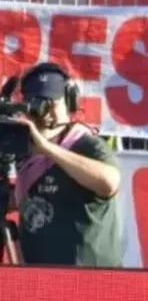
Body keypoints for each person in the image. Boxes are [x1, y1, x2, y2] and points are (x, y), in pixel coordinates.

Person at [8, 62, 122, 267]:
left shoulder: (86, 143)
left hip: (90, 279)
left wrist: (48, 149)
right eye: (39, 104)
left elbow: (109, 182)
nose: (46, 112)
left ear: (69, 102)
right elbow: (29, 196)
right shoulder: (24, 149)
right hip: (39, 278)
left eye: (53, 103)